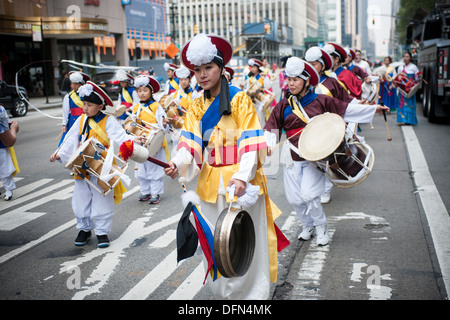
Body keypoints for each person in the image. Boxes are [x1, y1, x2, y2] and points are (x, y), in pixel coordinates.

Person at [164, 33, 286, 300]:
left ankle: (252, 296)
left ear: (220, 68)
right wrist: (176, 162)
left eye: (208, 68)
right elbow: (189, 143)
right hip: (210, 182)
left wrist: (243, 177)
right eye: (198, 70)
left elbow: (251, 142)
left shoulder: (240, 99)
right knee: (217, 244)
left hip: (241, 183)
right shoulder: (195, 105)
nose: (203, 74)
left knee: (245, 243)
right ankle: (223, 295)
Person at [264, 57, 389, 246]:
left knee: (309, 195)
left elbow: (346, 110)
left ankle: (321, 226)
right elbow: (271, 128)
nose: (291, 83)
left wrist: (374, 109)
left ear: (306, 81)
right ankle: (308, 226)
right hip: (291, 157)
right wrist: (267, 144)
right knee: (294, 199)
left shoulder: (321, 101)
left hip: (315, 157)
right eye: (289, 79)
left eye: (295, 79)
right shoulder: (283, 105)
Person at [49, 81, 146, 248]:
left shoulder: (108, 120)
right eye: (84, 104)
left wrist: (133, 139)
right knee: (80, 198)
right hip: (82, 165)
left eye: (90, 105)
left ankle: (102, 232)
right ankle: (84, 229)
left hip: (103, 166)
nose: (85, 108)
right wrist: (59, 154)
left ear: (100, 106)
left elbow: (121, 136)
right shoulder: (80, 120)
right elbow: (71, 139)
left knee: (102, 198)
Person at [132, 75, 169, 204]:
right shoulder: (136, 108)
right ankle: (145, 191)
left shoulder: (156, 107)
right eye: (139, 91)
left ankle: (155, 192)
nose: (142, 93)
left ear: (151, 92)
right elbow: (133, 124)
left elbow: (163, 124)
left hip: (154, 142)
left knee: (154, 168)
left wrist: (164, 125)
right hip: (141, 141)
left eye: (145, 90)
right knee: (141, 167)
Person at [167, 65, 194, 157]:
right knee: (176, 150)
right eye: (181, 79)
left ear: (189, 79)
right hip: (177, 127)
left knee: (189, 151)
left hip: (190, 126)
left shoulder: (194, 94)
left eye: (185, 79)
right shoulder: (174, 95)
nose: (183, 82)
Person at [59, 71, 90, 147]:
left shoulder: (87, 94)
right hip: (72, 121)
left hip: (85, 120)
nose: (73, 86)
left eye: (76, 84)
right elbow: (65, 112)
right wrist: (64, 124)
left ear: (81, 84)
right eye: (72, 84)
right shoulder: (68, 96)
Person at [0, 103, 20, 201]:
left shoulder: (1, 109)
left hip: (1, 143)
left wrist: (12, 128)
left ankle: (8, 190)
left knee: (4, 168)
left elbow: (7, 125)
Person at [396, 52, 420, 126]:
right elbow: (397, 78)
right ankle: (402, 120)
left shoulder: (414, 67)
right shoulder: (400, 67)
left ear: (410, 58)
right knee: (402, 104)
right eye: (404, 56)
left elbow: (418, 78)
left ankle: (410, 120)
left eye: (407, 57)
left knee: (410, 104)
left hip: (410, 89)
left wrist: (414, 80)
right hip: (402, 89)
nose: (405, 58)